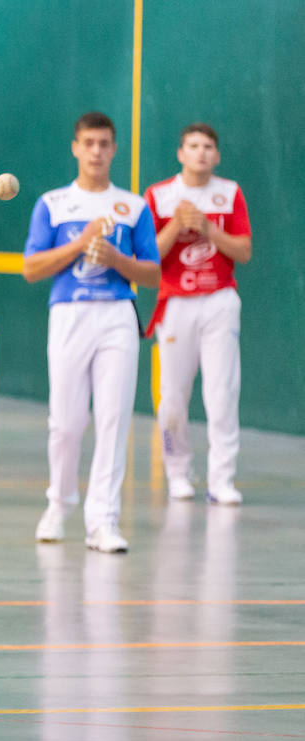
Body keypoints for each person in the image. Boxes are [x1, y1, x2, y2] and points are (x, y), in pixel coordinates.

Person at [23, 112, 161, 553]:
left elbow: (154, 273)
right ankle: (58, 505)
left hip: (118, 316)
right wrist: (79, 244)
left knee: (114, 419)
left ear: (114, 149)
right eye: (89, 143)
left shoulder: (133, 207)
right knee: (66, 423)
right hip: (69, 315)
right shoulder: (52, 204)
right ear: (75, 147)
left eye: (104, 143)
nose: (97, 151)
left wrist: (117, 259)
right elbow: (31, 268)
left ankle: (103, 520)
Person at [144, 123, 252, 505]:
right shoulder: (159, 196)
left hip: (220, 302)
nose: (201, 152)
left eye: (208, 146)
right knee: (173, 395)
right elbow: (148, 256)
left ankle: (222, 480)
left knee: (222, 393)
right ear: (181, 153)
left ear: (217, 155)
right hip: (175, 303)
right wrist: (177, 224)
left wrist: (207, 228)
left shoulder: (229, 193)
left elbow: (243, 251)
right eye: (193, 145)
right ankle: (177, 473)